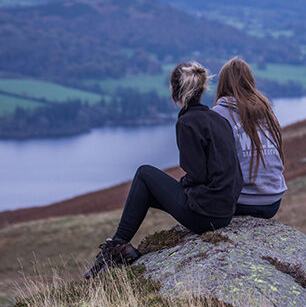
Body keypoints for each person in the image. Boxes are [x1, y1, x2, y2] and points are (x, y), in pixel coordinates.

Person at [84, 61, 243, 279]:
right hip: (225, 212)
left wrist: (183, 188)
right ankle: (121, 248)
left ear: (175, 92)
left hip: (205, 216)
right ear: (201, 89)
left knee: (144, 174)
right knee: (149, 188)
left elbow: (197, 175)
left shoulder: (187, 123)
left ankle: (117, 247)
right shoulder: (218, 119)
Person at [212, 57, 287, 219]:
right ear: (250, 80)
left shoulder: (219, 113)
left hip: (241, 202)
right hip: (273, 202)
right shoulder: (266, 110)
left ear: (222, 83)